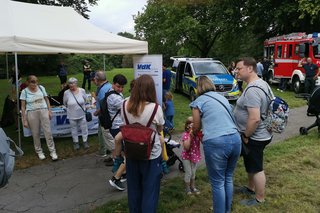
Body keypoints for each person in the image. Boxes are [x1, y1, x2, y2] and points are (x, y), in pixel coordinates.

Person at [114, 74, 165, 212]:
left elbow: (124, 124)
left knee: (134, 190)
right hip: (151, 155)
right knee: (150, 191)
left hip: (131, 153)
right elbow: (160, 129)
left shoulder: (124, 104)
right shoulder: (155, 108)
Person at [190, 75, 241, 213]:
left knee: (217, 182)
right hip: (235, 138)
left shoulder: (198, 101)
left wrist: (194, 133)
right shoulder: (222, 98)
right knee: (228, 177)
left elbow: (196, 126)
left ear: (198, 87)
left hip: (216, 142)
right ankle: (227, 209)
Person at [233, 57, 273, 206]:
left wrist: (246, 135)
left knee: (256, 167)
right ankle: (250, 188)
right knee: (250, 163)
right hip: (259, 134)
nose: (236, 71)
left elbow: (255, 118)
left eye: (239, 68)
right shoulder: (262, 83)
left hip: (255, 136)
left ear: (250, 69)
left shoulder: (252, 90)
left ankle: (259, 199)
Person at [20, 75, 58, 161]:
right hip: (31, 112)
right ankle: (39, 151)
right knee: (35, 133)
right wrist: (24, 120)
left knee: (48, 132)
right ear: (28, 83)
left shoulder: (41, 88)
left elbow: (47, 100)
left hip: (43, 110)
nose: (34, 84)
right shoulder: (24, 92)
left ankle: (52, 151)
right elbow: (22, 107)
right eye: (32, 82)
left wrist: (49, 111)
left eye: (36, 82)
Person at [93, 71, 113, 165]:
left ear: (97, 79)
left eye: (94, 79)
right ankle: (113, 156)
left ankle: (115, 158)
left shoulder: (102, 89)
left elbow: (102, 107)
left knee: (109, 137)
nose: (94, 81)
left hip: (106, 117)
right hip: (109, 116)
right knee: (109, 137)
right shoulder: (108, 85)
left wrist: (96, 113)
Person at [63, 77, 89, 150]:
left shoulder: (82, 91)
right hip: (72, 114)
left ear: (76, 84)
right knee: (74, 129)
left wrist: (86, 107)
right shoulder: (66, 93)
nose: (71, 85)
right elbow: (64, 103)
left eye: (73, 84)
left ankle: (85, 141)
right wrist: (67, 108)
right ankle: (76, 142)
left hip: (81, 113)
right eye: (70, 84)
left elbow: (86, 100)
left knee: (84, 128)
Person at [180, 116, 202, 195]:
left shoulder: (197, 134)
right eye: (191, 125)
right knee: (188, 172)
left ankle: (193, 186)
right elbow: (186, 147)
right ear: (187, 126)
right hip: (186, 156)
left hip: (194, 155)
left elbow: (203, 141)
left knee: (193, 172)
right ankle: (187, 188)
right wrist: (190, 136)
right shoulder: (186, 135)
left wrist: (199, 134)